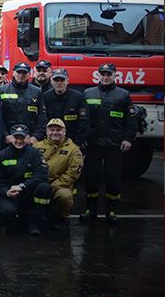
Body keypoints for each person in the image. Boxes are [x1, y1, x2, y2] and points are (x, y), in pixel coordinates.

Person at [80, 63, 137, 224]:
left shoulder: (123, 95)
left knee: (113, 179)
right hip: (93, 144)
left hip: (114, 144)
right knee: (91, 178)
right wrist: (83, 138)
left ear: (114, 75)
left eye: (109, 74)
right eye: (103, 74)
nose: (105, 77)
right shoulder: (88, 93)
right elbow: (84, 119)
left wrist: (128, 138)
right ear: (98, 75)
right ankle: (90, 210)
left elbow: (130, 120)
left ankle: (111, 211)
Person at [0, 124, 51, 235]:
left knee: (45, 188)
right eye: (16, 137)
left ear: (28, 138)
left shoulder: (35, 153)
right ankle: (10, 221)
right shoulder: (1, 155)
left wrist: (23, 186)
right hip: (10, 194)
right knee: (6, 211)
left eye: (22, 138)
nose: (19, 141)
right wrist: (6, 192)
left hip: (28, 191)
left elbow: (42, 175)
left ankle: (35, 221)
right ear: (10, 138)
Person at [34, 118, 83, 229]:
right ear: (46, 131)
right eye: (52, 130)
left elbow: (73, 174)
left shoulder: (74, 150)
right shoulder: (36, 146)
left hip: (60, 185)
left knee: (65, 196)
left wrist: (52, 186)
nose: (55, 132)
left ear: (64, 132)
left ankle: (62, 217)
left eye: (58, 130)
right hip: (39, 184)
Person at [36, 69, 89, 146]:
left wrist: (77, 143)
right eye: (56, 80)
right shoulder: (45, 97)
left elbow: (84, 122)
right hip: (49, 142)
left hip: (72, 142)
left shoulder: (78, 97)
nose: (59, 83)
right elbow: (41, 120)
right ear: (51, 81)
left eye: (62, 80)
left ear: (67, 81)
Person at [0, 62, 44, 145]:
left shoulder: (37, 92)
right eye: (18, 72)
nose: (21, 75)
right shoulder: (2, 90)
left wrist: (36, 136)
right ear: (13, 73)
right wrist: (5, 135)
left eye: (24, 73)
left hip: (30, 139)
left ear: (29, 74)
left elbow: (42, 117)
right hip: (8, 139)